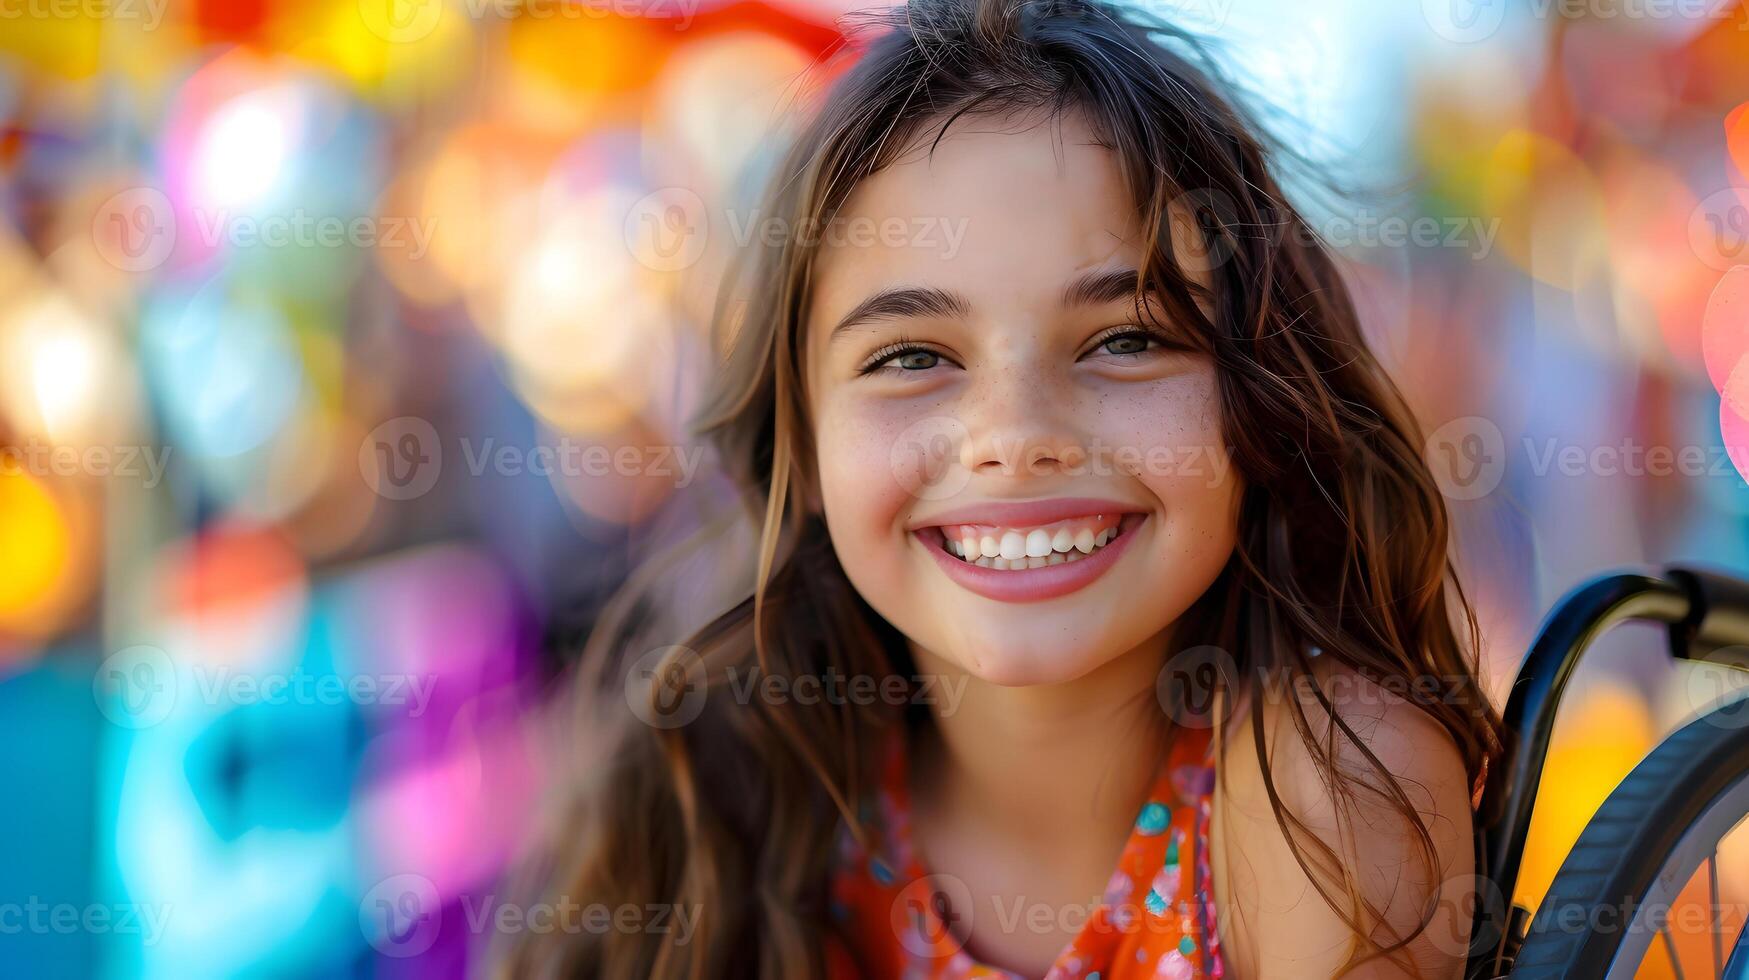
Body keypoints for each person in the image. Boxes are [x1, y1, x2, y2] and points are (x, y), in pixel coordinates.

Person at [504, 0, 1507, 975]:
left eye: (1127, 338)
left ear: (1261, 400)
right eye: (911, 355)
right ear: (802, 443)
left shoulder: (1327, 786)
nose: (1016, 438)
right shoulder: (720, 792)